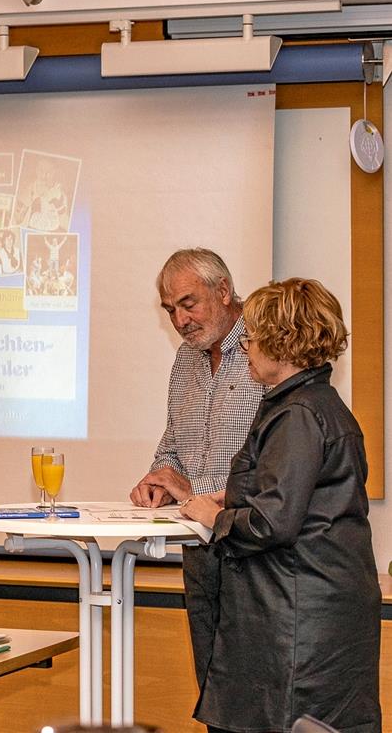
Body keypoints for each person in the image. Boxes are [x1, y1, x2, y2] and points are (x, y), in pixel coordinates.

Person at [177, 278, 381, 733]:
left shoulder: (299, 414)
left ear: (281, 342)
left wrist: (216, 516)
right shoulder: (311, 404)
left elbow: (273, 523)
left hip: (299, 619)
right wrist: (234, 496)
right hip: (311, 609)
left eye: (251, 336)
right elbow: (300, 494)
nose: (245, 346)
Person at [128, 248, 265, 697]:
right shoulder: (185, 361)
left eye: (189, 303)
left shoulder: (267, 351)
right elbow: (174, 444)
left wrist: (192, 492)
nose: (180, 320)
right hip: (199, 554)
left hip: (257, 555)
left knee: (253, 700)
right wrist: (157, 480)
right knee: (213, 693)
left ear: (223, 291)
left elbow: (278, 468)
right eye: (171, 310)